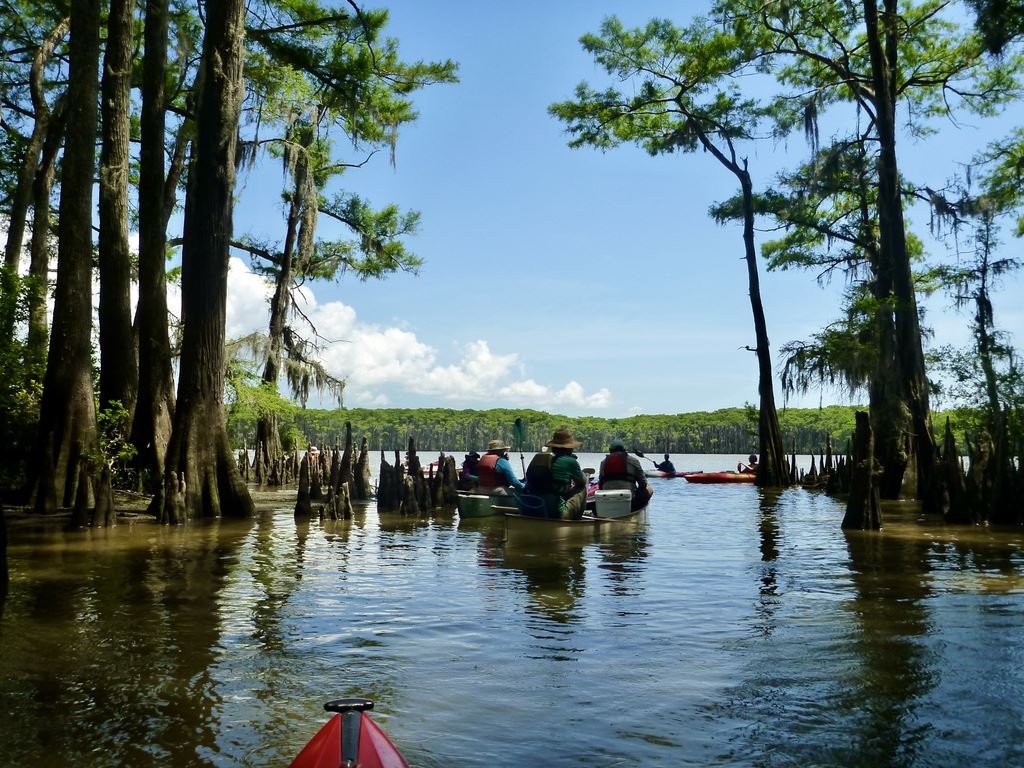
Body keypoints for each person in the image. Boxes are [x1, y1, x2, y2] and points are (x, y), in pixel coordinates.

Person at [524, 427, 588, 519]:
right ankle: (577, 520)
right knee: (582, 488)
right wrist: (577, 469)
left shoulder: (539, 459)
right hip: (556, 512)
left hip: (530, 508)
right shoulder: (570, 461)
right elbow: (582, 482)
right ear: (569, 448)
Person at [599, 438, 653, 511]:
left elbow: (600, 485)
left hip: (608, 499)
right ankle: (636, 511)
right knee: (649, 488)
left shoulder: (603, 462)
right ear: (624, 449)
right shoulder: (634, 461)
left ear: (610, 450)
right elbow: (643, 484)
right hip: (629, 500)